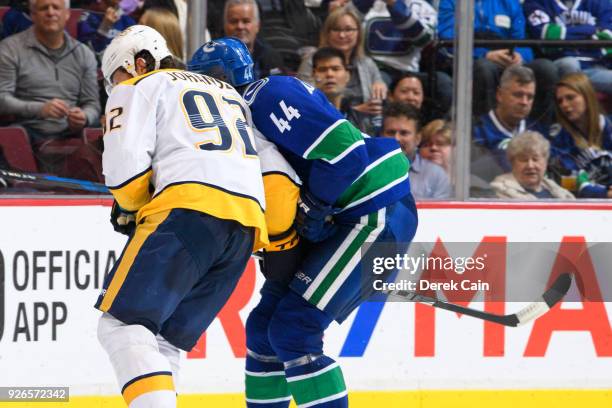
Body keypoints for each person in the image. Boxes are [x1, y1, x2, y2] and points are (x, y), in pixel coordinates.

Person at [189, 37, 418, 408]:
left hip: (373, 208)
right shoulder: (233, 118)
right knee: (264, 331)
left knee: (294, 330)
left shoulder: (265, 94)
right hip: (343, 214)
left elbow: (346, 151)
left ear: (216, 79)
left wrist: (315, 205)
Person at [95, 26, 269, 407]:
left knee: (121, 326)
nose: (115, 88)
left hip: (187, 212)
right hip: (245, 228)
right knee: (164, 341)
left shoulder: (141, 84)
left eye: (118, 77)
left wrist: (131, 205)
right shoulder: (229, 94)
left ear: (140, 61)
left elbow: (125, 174)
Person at [0, 0, 101, 177]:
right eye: (43, 8)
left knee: (103, 134)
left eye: (56, 7)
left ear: (67, 14)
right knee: (11, 136)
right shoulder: (10, 48)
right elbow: (2, 99)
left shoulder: (84, 54)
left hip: (73, 132)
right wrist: (41, 109)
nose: (51, 12)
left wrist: (84, 116)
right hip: (26, 133)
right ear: (32, 14)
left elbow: (92, 104)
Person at [438, 0, 559, 123]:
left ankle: (540, 132)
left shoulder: (510, 3)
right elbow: (448, 40)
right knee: (485, 67)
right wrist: (485, 54)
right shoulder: (451, 2)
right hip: (470, 61)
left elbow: (522, 41)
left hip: (507, 60)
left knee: (546, 69)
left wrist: (519, 56)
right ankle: (484, 131)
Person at [297, 7, 387, 117]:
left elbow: (379, 93)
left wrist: (380, 84)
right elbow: (304, 99)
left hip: (364, 127)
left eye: (348, 29)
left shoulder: (367, 63)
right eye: (336, 29)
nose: (342, 35)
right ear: (327, 33)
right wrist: (354, 111)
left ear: (359, 33)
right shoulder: (311, 60)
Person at [524, 0, 612, 95]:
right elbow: (546, 34)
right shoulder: (536, 2)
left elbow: (608, 36)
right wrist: (591, 30)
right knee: (570, 63)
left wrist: (565, 34)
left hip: (595, 67)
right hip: (559, 64)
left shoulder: (600, 2)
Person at [472, 65, 545, 177]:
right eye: (518, 95)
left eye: (530, 97)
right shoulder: (477, 131)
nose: (524, 102)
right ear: (499, 95)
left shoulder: (536, 130)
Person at [549, 72, 612, 198]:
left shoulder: (607, 126)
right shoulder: (559, 137)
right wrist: (605, 194)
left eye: (570, 97)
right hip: (582, 203)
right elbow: (570, 182)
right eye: (560, 101)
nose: (564, 105)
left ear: (587, 97)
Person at [382, 101, 452, 199]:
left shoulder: (436, 175)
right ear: (380, 135)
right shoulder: (367, 171)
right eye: (390, 132)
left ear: (418, 138)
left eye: (404, 133)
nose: (396, 138)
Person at [491, 131, 575, 199]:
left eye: (535, 159)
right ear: (512, 162)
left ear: (545, 162)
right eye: (523, 160)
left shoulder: (556, 189)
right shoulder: (499, 190)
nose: (530, 165)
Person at [312, 46, 371, 132]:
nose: (329, 74)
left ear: (347, 75)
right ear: (313, 75)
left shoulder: (357, 119)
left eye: (335, 69)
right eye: (322, 70)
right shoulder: (305, 113)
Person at [223, 0, 285, 78]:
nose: (240, 26)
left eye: (246, 21)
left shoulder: (271, 57)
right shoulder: (212, 57)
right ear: (225, 25)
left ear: (257, 26)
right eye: (234, 21)